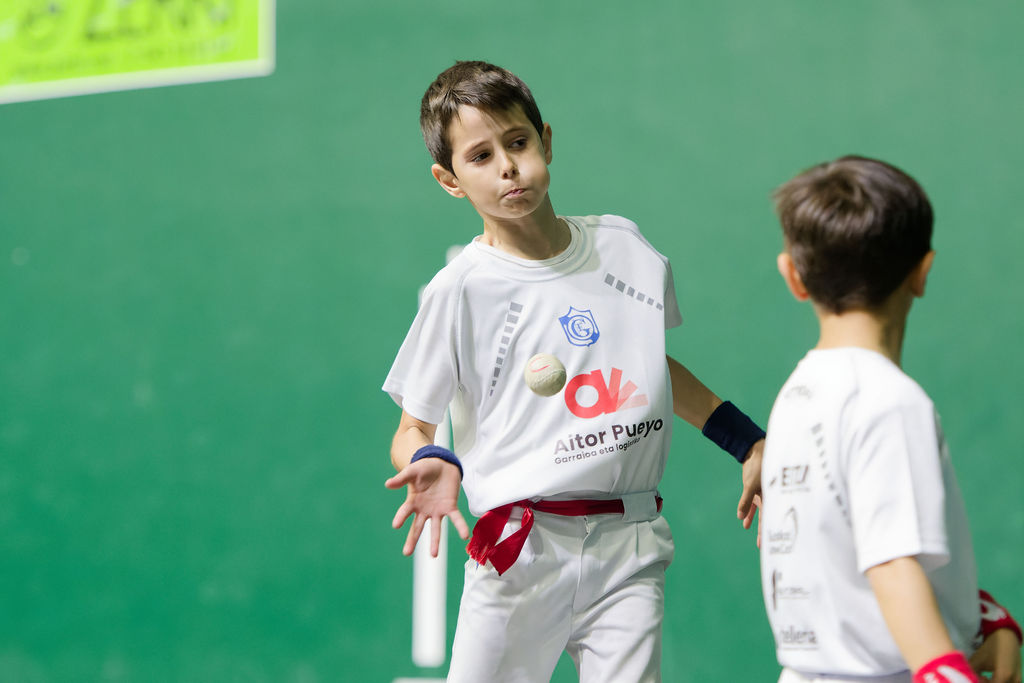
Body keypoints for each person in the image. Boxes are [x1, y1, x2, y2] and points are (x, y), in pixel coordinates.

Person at [382, 60, 765, 682]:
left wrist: (747, 440)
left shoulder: (626, 250)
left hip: (629, 545)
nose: (507, 167)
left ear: (546, 141)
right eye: (480, 157)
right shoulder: (459, 291)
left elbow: (648, 366)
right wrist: (429, 459)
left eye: (517, 142)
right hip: (519, 549)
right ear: (449, 180)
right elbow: (412, 429)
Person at [759, 155, 1022, 683]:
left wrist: (984, 620)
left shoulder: (796, 397)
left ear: (794, 277)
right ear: (923, 272)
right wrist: (945, 670)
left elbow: (854, 551)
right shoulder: (889, 402)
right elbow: (892, 565)